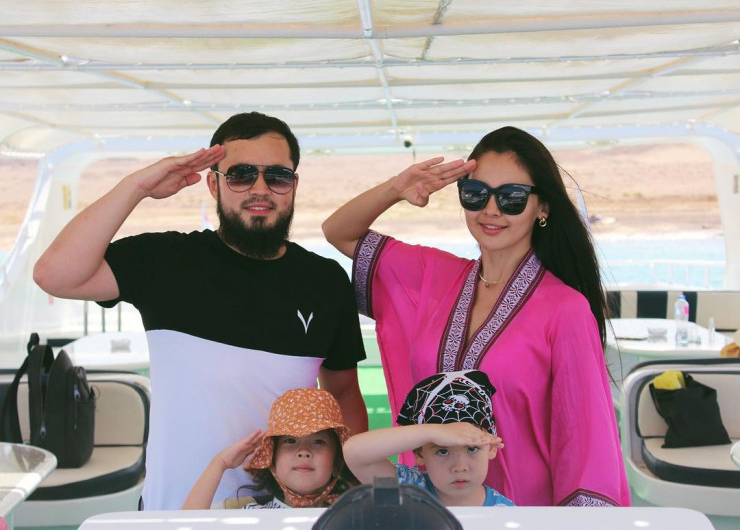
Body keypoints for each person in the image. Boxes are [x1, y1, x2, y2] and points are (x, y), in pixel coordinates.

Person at [33, 112, 368, 510]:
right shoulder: (166, 261)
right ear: (214, 183)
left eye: (277, 176)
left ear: (293, 185)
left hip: (288, 514)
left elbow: (343, 392)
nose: (260, 189)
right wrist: (137, 187)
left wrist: (349, 493)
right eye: (241, 175)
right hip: (175, 512)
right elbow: (55, 275)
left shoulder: (324, 279)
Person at [323, 126, 629, 506]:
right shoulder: (433, 276)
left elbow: (584, 439)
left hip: (517, 514)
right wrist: (397, 188)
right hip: (429, 510)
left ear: (543, 207)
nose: (491, 210)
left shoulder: (566, 309)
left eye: (512, 197)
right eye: (475, 194)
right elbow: (338, 232)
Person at [344, 370, 514, 507]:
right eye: (442, 451)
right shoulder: (407, 489)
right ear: (420, 453)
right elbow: (355, 453)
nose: (460, 467)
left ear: (492, 448)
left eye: (471, 448)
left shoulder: (505, 513)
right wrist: (432, 432)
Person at [183, 388, 357, 509]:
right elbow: (187, 525)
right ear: (271, 458)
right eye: (290, 440)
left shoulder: (352, 516)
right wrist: (220, 463)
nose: (304, 452)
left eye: (318, 441)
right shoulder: (248, 515)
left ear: (337, 462)